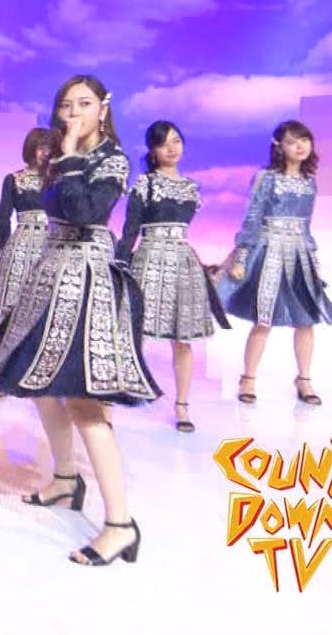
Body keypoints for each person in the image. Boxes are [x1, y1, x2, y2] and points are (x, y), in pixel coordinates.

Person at [0, 75, 161, 567]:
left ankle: (120, 524)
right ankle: (64, 478)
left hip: (87, 278)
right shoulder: (58, 157)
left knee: (84, 403)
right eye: (66, 105)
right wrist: (67, 155)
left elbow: (83, 211)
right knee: (38, 384)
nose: (74, 112)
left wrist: (73, 153)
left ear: (103, 109)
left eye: (84, 103)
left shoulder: (112, 159)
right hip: (50, 272)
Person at [216, 119, 332, 405]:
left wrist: (313, 261)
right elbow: (252, 218)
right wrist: (242, 256)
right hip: (269, 251)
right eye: (292, 141)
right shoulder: (266, 178)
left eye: (304, 140)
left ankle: (304, 379)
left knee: (306, 320)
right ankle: (248, 378)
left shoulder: (309, 182)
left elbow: (306, 225)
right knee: (263, 319)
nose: (300, 146)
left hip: (299, 254)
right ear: (279, 147)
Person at [115, 121, 230, 432]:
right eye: (164, 143)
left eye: (177, 140)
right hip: (149, 260)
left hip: (182, 262)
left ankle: (182, 406)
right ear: (152, 150)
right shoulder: (145, 184)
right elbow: (130, 231)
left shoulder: (192, 188)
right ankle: (119, 390)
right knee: (132, 330)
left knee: (183, 338)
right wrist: (120, 267)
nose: (172, 148)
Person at [0, 127, 52, 313]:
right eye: (40, 148)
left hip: (51, 247)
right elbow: (3, 218)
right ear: (31, 148)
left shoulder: (57, 181)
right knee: (13, 310)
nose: (45, 153)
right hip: (21, 249)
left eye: (49, 148)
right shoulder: (14, 179)